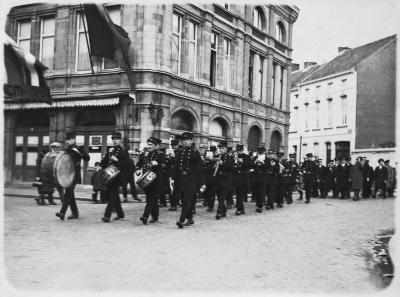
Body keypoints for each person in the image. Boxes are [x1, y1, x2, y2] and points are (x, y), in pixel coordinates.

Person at [171, 132, 202, 228]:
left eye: (187, 140)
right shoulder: (180, 152)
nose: (185, 142)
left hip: (190, 180)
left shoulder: (195, 152)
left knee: (186, 200)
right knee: (184, 200)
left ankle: (182, 219)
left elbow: (199, 168)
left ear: (191, 141)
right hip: (181, 179)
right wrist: (173, 178)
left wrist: (200, 182)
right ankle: (190, 218)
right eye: (184, 140)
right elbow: (176, 166)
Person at [56, 132, 90, 220]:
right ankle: (75, 213)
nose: (67, 141)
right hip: (67, 174)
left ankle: (62, 213)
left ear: (73, 139)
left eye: (69, 140)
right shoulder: (67, 149)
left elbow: (87, 158)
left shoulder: (78, 148)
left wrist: (80, 152)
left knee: (68, 193)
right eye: (66, 140)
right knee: (70, 194)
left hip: (74, 175)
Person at [136, 137, 166, 224]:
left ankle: (145, 216)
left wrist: (157, 164)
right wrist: (137, 170)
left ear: (156, 146)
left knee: (150, 199)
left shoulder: (160, 154)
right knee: (153, 199)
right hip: (146, 180)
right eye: (148, 144)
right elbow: (139, 164)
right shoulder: (144, 154)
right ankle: (155, 216)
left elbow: (164, 167)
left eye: (151, 145)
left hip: (155, 180)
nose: (149, 146)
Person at [100, 132, 129, 222]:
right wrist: (104, 158)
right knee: (114, 195)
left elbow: (127, 165)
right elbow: (103, 163)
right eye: (113, 139)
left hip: (118, 176)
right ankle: (120, 214)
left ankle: (107, 215)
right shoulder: (110, 150)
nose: (115, 141)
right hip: (109, 175)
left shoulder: (123, 151)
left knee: (112, 196)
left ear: (120, 140)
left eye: (117, 139)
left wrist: (117, 160)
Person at [213, 140, 235, 220]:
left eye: (222, 148)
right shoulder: (218, 156)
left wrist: (222, 164)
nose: (221, 150)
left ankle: (219, 212)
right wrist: (215, 165)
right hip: (218, 179)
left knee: (222, 197)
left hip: (226, 180)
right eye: (220, 148)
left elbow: (231, 168)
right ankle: (224, 211)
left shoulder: (230, 157)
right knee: (219, 197)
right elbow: (215, 168)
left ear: (226, 149)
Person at [233, 144, 251, 215]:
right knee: (238, 194)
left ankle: (239, 209)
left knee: (240, 194)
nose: (239, 152)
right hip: (236, 176)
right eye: (238, 150)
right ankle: (241, 209)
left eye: (240, 150)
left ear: (242, 150)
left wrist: (242, 162)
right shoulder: (235, 157)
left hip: (243, 177)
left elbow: (249, 165)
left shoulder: (246, 157)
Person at [252, 146, 268, 212]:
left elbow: (268, 167)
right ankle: (257, 204)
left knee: (261, 192)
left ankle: (260, 206)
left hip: (263, 177)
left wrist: (263, 164)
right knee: (257, 192)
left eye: (261, 152)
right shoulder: (255, 158)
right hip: (256, 177)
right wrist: (255, 163)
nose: (260, 153)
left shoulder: (266, 158)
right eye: (259, 152)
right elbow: (251, 165)